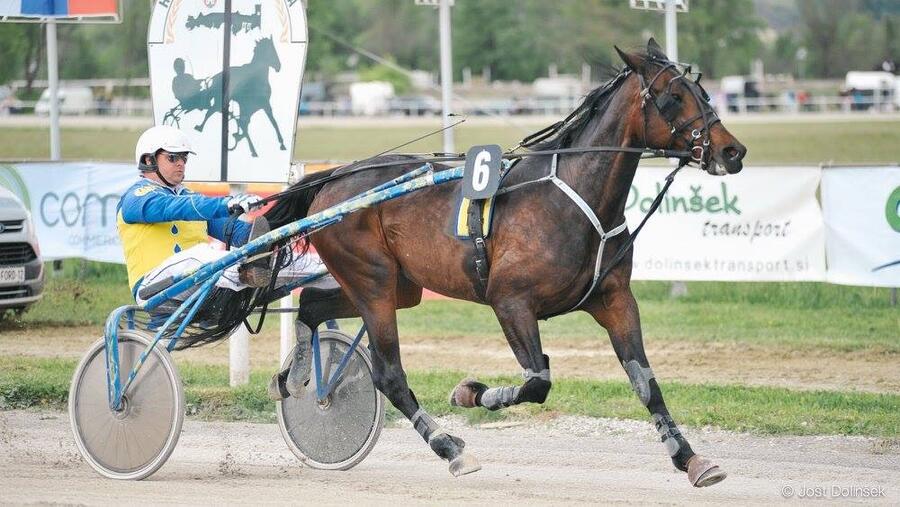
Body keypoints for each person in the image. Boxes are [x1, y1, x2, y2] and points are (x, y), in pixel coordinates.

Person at [118, 125, 333, 400]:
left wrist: (281, 232)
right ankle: (246, 270)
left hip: (200, 278)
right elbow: (175, 209)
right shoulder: (136, 199)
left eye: (184, 158)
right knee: (206, 256)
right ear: (149, 161)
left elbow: (237, 233)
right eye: (173, 158)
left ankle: (332, 275)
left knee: (292, 261)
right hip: (156, 285)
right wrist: (227, 204)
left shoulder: (186, 198)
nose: (181, 164)